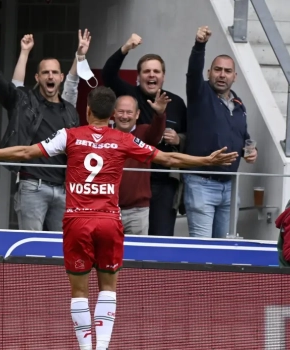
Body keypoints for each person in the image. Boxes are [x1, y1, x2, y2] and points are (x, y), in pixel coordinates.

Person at [0, 86, 238, 350]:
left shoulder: (70, 136)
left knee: (79, 291)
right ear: (113, 114)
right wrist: (206, 161)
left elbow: (26, 151)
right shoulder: (123, 139)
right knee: (108, 288)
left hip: (77, 221)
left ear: (87, 110)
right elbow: (166, 158)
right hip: (108, 221)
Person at [0, 25, 81, 232]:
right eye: (45, 73)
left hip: (63, 189)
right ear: (37, 77)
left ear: (61, 77)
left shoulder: (70, 111)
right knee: (31, 245)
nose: (50, 76)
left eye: (54, 72)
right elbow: (7, 88)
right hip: (33, 186)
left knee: (61, 247)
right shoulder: (24, 101)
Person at [102, 33, 188, 236]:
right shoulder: (130, 95)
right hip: (133, 181)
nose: (151, 75)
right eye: (146, 71)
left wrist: (179, 139)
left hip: (164, 182)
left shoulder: (176, 103)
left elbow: (190, 135)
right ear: (138, 76)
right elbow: (108, 74)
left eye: (156, 71)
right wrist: (125, 48)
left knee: (160, 239)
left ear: (163, 76)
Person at [183, 26, 258, 238]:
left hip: (230, 186)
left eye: (227, 71)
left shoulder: (238, 103)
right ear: (209, 73)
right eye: (217, 70)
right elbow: (193, 72)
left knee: (225, 247)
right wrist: (200, 45)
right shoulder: (200, 93)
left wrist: (251, 150)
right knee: (202, 248)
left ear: (235, 76)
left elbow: (242, 136)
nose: (222, 75)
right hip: (201, 183)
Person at [115, 94, 167, 234]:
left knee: (136, 249)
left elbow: (156, 133)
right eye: (121, 111)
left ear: (137, 114)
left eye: (129, 112)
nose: (124, 116)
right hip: (109, 210)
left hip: (137, 211)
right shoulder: (106, 134)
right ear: (114, 113)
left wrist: (160, 114)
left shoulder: (144, 133)